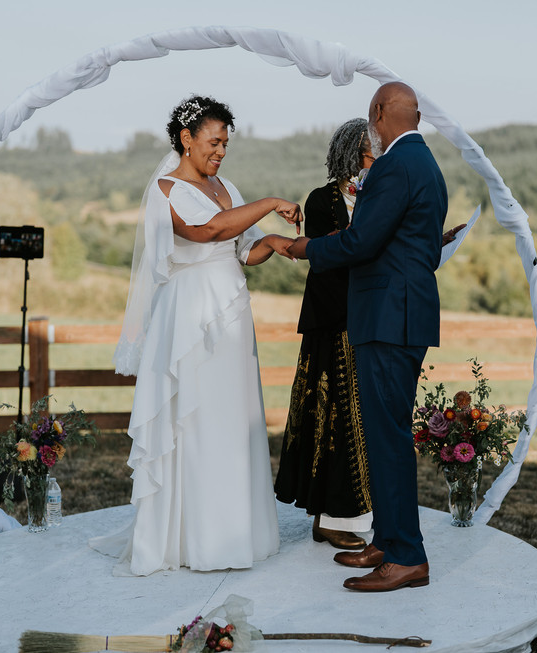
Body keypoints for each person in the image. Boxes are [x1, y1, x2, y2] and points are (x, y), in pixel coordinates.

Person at [92, 96, 300, 575]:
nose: (221, 152)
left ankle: (235, 533)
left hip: (231, 313)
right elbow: (206, 233)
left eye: (226, 143)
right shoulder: (165, 190)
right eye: (214, 141)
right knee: (197, 420)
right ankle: (192, 541)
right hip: (189, 317)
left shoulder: (227, 186)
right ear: (186, 140)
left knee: (232, 418)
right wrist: (269, 204)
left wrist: (271, 241)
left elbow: (242, 250)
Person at [286, 82, 448, 592]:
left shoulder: (397, 165)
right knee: (383, 436)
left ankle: (406, 556)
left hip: (388, 316)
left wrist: (301, 248)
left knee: (389, 438)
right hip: (399, 312)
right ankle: (388, 536)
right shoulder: (425, 163)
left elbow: (361, 241)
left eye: (371, 120)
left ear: (379, 113)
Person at [273, 118, 376, 550]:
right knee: (332, 417)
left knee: (364, 421)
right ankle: (330, 517)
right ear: (353, 153)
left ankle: (358, 513)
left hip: (369, 318)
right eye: (372, 152)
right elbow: (323, 256)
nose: (377, 159)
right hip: (333, 321)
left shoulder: (379, 196)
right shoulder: (321, 200)